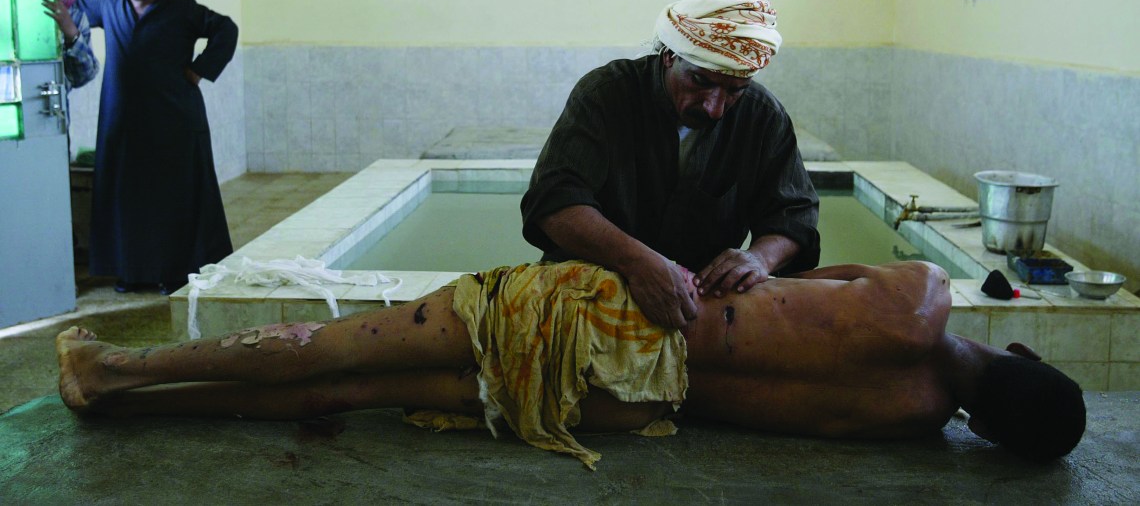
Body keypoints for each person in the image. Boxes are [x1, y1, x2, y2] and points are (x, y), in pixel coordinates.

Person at [56, 260, 1086, 469]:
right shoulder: (907, 422)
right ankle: (124, 402)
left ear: (1021, 347)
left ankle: (113, 373)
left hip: (590, 328)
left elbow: (792, 271)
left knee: (328, 344)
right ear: (983, 429)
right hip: (625, 407)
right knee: (355, 391)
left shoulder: (923, 296)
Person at [521, 0, 820, 329]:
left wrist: (759, 258)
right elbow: (555, 201)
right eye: (699, 81)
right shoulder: (606, 95)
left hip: (697, 307)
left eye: (735, 91)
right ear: (669, 56)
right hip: (589, 290)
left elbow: (794, 215)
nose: (714, 107)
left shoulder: (763, 116)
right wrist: (637, 263)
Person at [75, 0, 238, 295]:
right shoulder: (108, 4)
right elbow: (72, 4)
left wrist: (200, 69)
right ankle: (133, 273)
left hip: (174, 121)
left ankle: (176, 272)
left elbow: (227, 28)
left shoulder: (182, 10)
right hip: (124, 125)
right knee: (128, 200)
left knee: (173, 199)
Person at [41, 0, 99, 91]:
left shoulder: (77, 17)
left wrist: (72, 35)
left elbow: (82, 78)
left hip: (54, 107)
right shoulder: (21, 5)